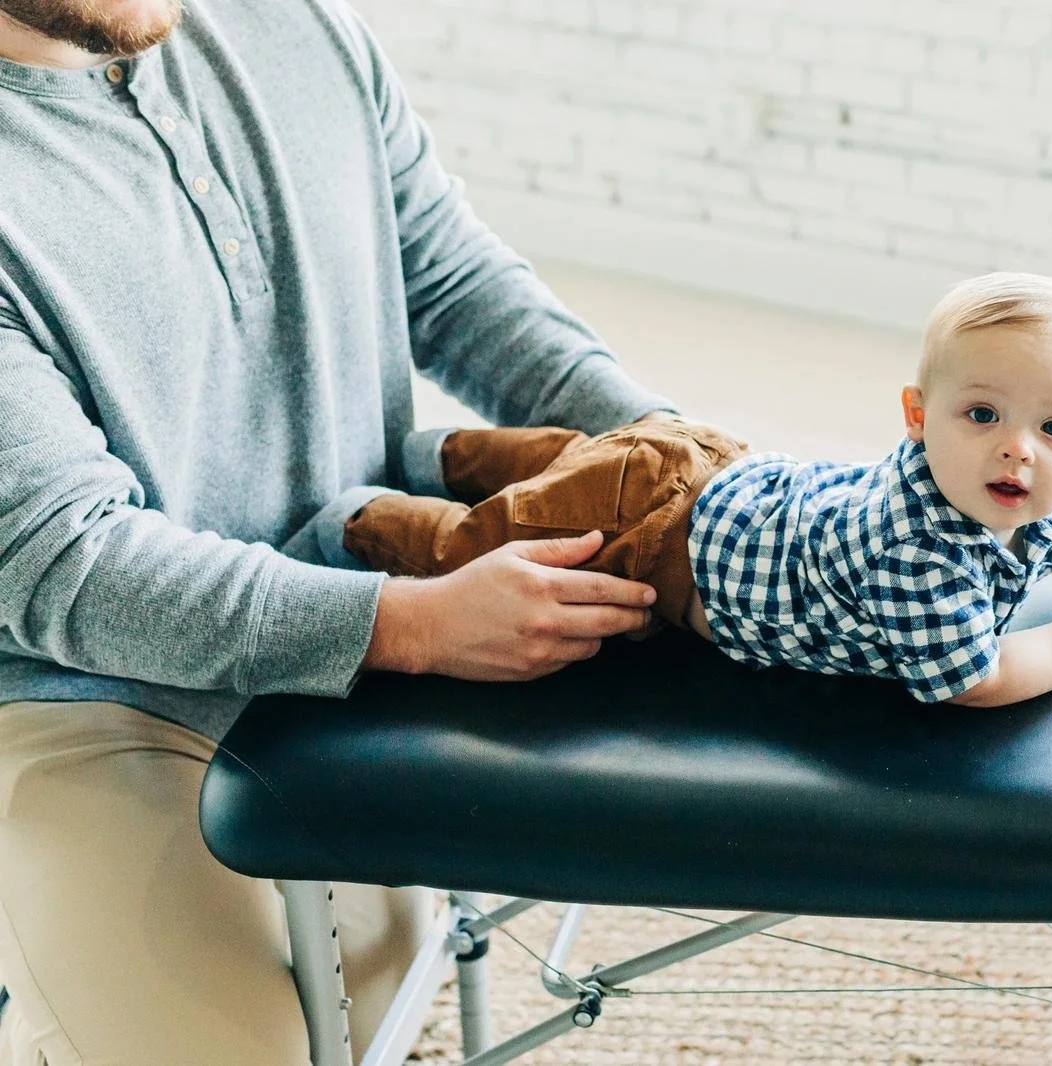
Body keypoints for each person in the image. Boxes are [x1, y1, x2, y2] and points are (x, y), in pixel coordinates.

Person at [0, 0, 676, 1061]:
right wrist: (412, 626)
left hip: (346, 623)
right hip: (81, 696)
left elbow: (454, 284)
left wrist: (669, 454)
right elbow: (65, 558)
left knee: (365, 1013)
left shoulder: (292, 27)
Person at [341, 272, 1052, 706]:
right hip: (660, 540)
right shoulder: (916, 551)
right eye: (981, 415)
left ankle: (444, 453)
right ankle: (367, 519)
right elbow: (976, 678)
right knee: (507, 534)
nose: (1019, 453)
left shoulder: (1023, 479)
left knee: (574, 459)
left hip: (710, 462)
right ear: (918, 413)